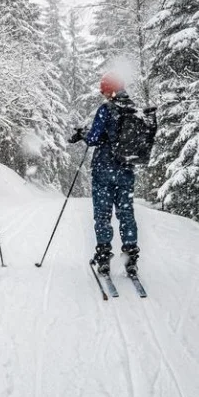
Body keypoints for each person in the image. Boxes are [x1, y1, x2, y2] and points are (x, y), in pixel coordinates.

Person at [84, 74, 140, 276]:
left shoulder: (106, 109)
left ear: (111, 90)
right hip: (126, 169)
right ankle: (131, 256)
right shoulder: (134, 109)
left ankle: (104, 257)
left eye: (104, 90)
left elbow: (93, 138)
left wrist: (84, 134)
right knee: (126, 213)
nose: (103, 94)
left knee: (103, 215)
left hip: (104, 170)